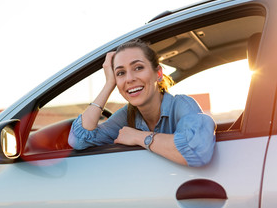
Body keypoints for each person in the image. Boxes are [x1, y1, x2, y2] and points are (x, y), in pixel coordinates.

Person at [68, 39, 216, 167]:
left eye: (138, 68)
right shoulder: (127, 115)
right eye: (120, 73)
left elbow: (197, 151)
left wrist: (139, 137)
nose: (129, 78)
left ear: (158, 73)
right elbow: (79, 140)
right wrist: (109, 84)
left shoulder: (181, 105)